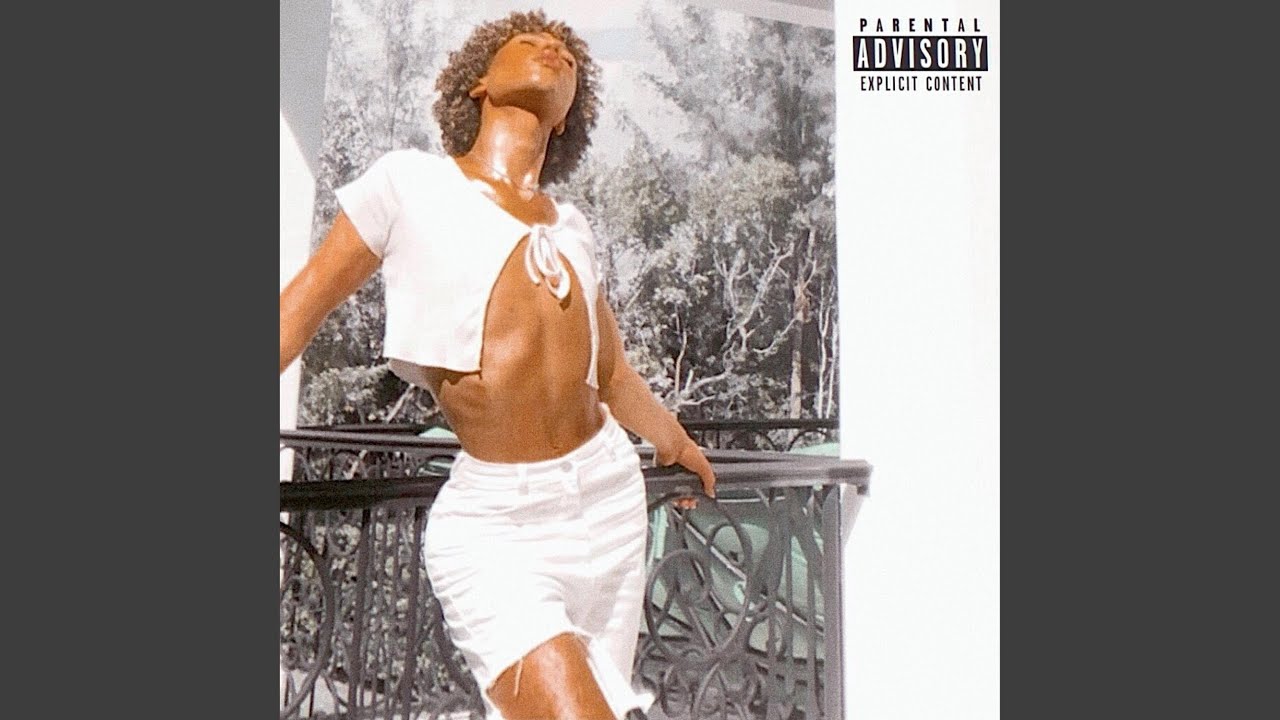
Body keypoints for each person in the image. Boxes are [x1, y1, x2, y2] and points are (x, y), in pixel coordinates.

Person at [278, 10, 717, 720]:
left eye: (568, 54)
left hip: (609, 497)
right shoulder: (409, 184)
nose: (552, 48)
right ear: (478, 84)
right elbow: (295, 314)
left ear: (568, 115)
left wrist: (678, 444)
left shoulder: (572, 227)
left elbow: (611, 376)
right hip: (499, 526)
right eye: (527, 42)